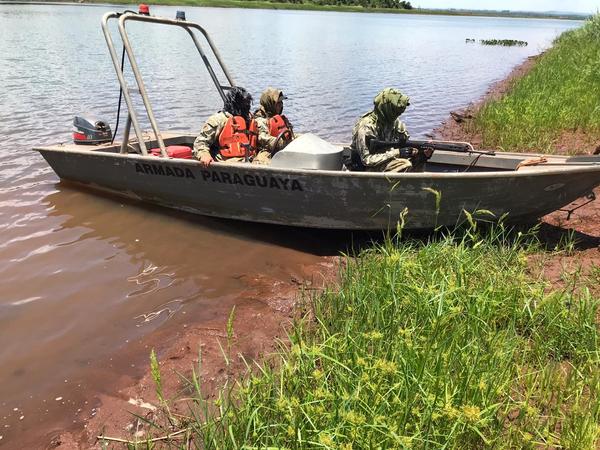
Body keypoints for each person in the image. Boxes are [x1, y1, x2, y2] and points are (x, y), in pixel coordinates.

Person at [349, 87, 430, 172]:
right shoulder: (367, 127)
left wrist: (422, 152)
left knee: (419, 159)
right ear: (388, 109)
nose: (397, 115)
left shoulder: (394, 122)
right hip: (364, 168)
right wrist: (397, 152)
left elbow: (406, 143)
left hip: (385, 159)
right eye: (395, 111)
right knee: (404, 164)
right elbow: (367, 160)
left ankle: (412, 184)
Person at [193, 87, 271, 167]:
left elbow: (262, 139)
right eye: (244, 103)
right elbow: (200, 142)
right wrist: (204, 154)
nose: (247, 106)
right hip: (227, 162)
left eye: (248, 103)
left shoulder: (250, 120)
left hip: (251, 160)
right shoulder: (218, 120)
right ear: (234, 103)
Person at [254, 87, 294, 155]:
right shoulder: (260, 121)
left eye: (281, 102)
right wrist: (286, 143)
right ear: (270, 104)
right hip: (267, 153)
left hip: (283, 150)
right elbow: (264, 139)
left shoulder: (280, 119)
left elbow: (291, 135)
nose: (281, 105)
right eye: (278, 103)